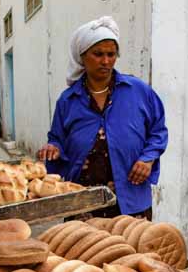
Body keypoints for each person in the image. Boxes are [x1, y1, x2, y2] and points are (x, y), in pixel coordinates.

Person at [37, 16, 168, 219]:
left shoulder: (139, 91)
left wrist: (148, 159)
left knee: (133, 249)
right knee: (83, 250)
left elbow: (158, 131)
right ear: (82, 56)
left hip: (130, 199)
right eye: (98, 54)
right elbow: (57, 139)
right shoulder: (68, 100)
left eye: (111, 54)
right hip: (82, 202)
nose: (106, 61)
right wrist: (53, 148)